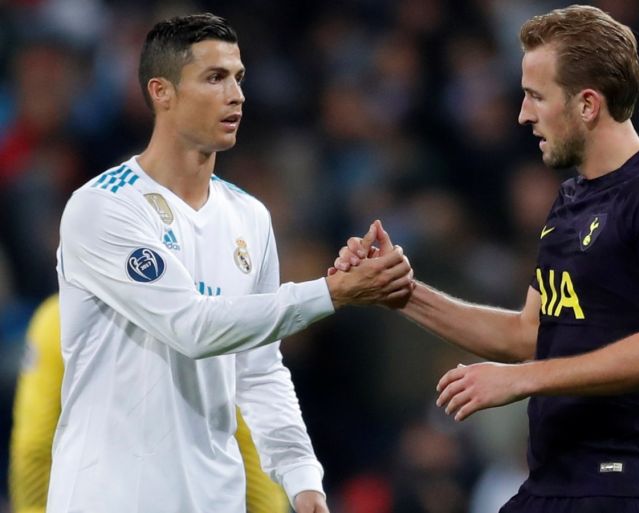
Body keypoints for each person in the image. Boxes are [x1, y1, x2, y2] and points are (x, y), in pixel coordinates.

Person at [335, 5, 639, 513]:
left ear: (586, 104)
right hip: (553, 483)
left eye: (536, 96)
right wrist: (400, 292)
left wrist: (519, 379)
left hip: (626, 488)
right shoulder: (570, 200)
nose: (523, 113)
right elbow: (529, 334)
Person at [52, 13, 413, 513]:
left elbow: (259, 369)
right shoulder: (104, 208)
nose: (237, 95)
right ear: (162, 92)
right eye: (215, 78)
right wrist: (331, 293)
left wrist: (302, 477)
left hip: (215, 498)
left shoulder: (249, 216)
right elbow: (192, 327)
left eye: (239, 77)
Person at [10, 295, 290, 513]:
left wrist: (33, 508)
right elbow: (247, 436)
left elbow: (34, 444)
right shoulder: (210, 313)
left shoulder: (58, 318)